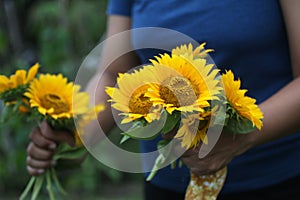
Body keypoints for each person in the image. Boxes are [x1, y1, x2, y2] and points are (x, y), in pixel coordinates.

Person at [26, 0, 300, 199]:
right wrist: (76, 136)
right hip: (167, 186)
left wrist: (243, 137)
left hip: (277, 180)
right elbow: (113, 75)